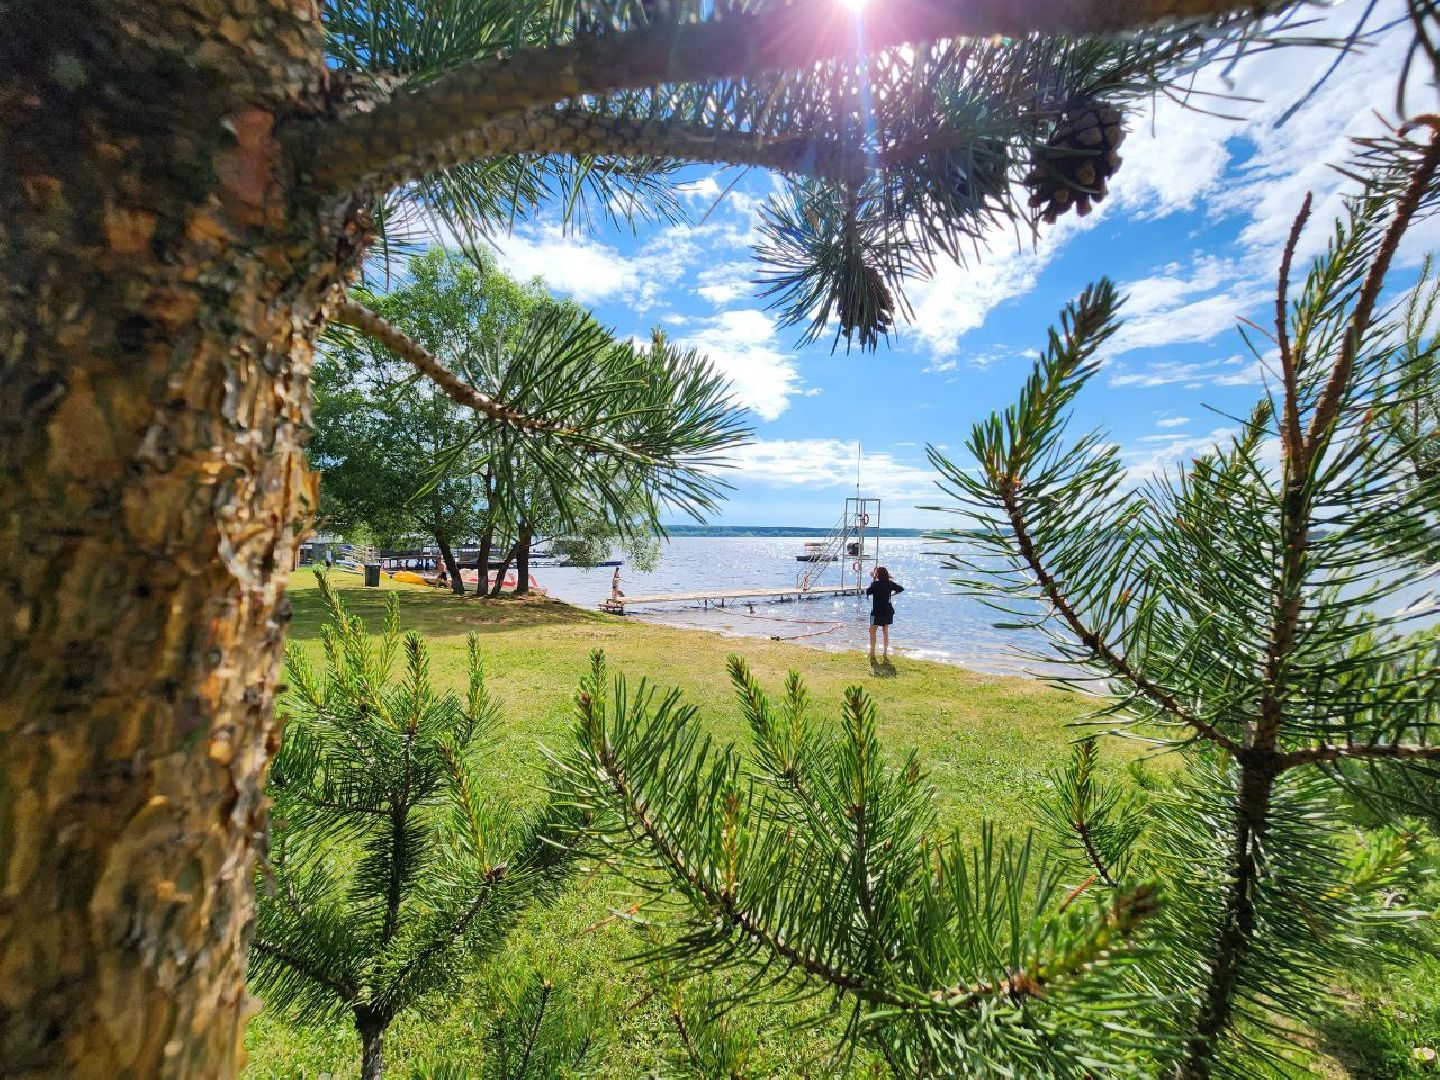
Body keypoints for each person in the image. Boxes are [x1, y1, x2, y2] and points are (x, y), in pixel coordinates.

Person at [864, 566, 903, 662]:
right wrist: (891, 594)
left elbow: (868, 592)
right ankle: (885, 653)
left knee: (872, 631)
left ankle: (872, 653)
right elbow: (901, 589)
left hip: (877, 612)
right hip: (888, 611)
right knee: (885, 631)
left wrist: (873, 579)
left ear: (877, 575)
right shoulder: (890, 584)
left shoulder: (875, 584)